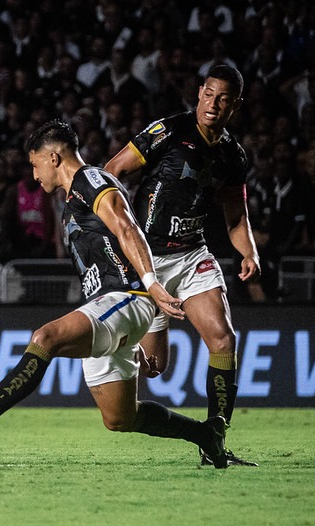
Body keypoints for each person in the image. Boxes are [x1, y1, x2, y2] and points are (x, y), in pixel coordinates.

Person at [0, 120, 231, 468]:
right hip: (107, 305)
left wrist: (152, 282)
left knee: (45, 338)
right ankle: (206, 436)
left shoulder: (91, 181)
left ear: (53, 157)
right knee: (119, 418)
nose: (34, 176)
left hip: (127, 297)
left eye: (35, 165)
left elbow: (127, 227)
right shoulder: (72, 197)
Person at [104, 65, 260, 467]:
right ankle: (126, 354)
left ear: (234, 105)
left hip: (192, 256)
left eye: (224, 98)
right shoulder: (167, 131)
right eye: (209, 94)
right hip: (145, 260)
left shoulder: (232, 155)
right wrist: (115, 232)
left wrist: (249, 252)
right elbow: (112, 172)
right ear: (199, 93)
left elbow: (235, 216)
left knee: (223, 341)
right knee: (155, 368)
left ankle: (216, 439)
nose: (214, 104)